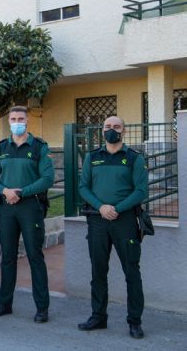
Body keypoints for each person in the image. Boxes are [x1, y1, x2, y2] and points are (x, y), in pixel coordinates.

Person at [77, 116, 148, 339]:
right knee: (98, 271)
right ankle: (98, 316)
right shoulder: (92, 157)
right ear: (102, 130)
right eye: (107, 126)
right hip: (98, 221)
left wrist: (116, 208)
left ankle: (134, 321)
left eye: (116, 127)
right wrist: (101, 207)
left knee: (132, 272)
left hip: (124, 221)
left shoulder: (133, 158)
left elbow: (141, 191)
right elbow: (83, 187)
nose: (111, 130)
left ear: (123, 131)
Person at [0, 106, 54, 323]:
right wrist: (5, 191)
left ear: (27, 121)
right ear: (9, 121)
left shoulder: (39, 147)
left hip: (30, 207)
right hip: (6, 207)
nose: (17, 122)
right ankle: (4, 304)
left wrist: (22, 192)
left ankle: (42, 308)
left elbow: (47, 178)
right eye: (13, 119)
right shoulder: (2, 148)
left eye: (20, 118)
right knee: (7, 257)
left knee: (35, 256)